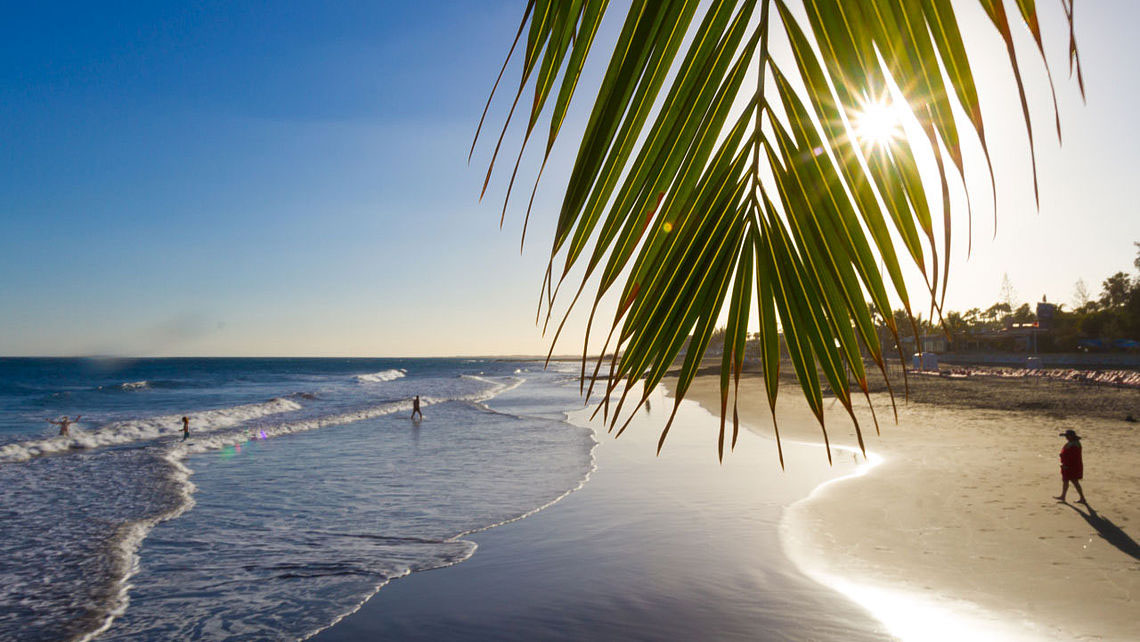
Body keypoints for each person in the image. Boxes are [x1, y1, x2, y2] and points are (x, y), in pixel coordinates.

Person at [1054, 429, 1087, 504]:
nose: (1066, 438)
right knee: (1065, 480)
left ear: (1071, 436)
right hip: (1068, 465)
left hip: (1071, 466)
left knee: (1074, 481)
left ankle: (1082, 498)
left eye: (1067, 436)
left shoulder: (1075, 445)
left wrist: (1066, 465)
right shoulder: (1072, 443)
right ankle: (1063, 496)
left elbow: (1073, 457)